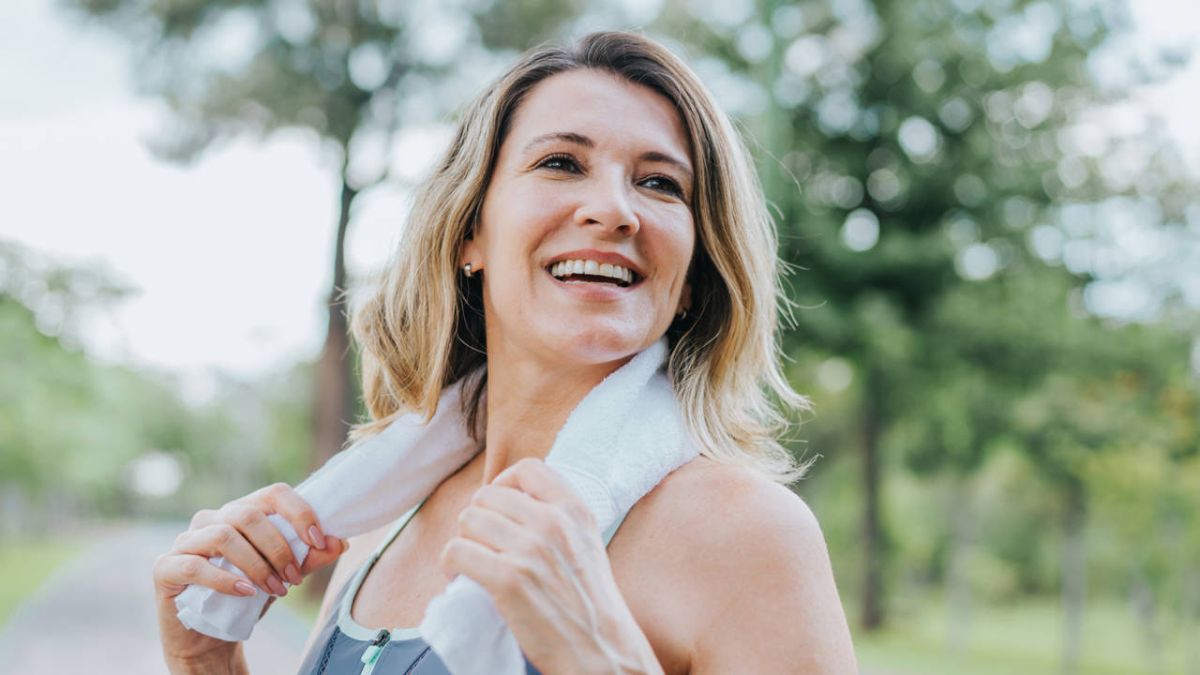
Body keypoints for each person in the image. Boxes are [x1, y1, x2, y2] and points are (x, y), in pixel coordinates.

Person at [153, 31, 858, 674]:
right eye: (561, 162)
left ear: (691, 274)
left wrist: (600, 658)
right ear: (471, 233)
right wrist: (204, 661)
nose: (614, 209)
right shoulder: (376, 525)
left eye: (659, 182)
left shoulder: (748, 534)